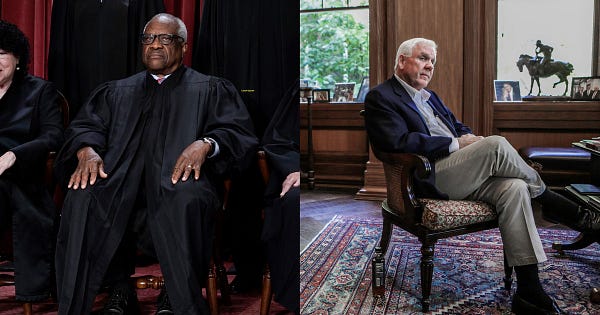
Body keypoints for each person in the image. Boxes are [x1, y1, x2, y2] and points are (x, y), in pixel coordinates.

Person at [364, 37, 600, 315]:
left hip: (460, 170)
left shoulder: (431, 97)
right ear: (402, 61)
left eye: (432, 62)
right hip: (427, 176)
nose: (430, 66)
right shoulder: (381, 97)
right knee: (497, 144)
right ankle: (558, 204)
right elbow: (397, 142)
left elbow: (456, 126)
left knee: (514, 188)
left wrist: (468, 137)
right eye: (423, 58)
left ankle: (529, 291)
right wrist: (456, 144)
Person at [53, 13, 258, 315]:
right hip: (121, 183)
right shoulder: (116, 91)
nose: (155, 45)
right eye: (148, 39)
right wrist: (86, 149)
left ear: (184, 46)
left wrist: (207, 144)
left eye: (165, 38)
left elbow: (237, 134)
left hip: (179, 184)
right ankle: (116, 290)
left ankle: (178, 297)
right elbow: (85, 126)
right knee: (84, 196)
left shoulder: (210, 89)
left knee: (187, 198)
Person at [0, 20, 64, 304]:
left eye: (1, 53)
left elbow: (53, 137)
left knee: (18, 198)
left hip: (24, 176)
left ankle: (32, 293)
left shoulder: (40, 91)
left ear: (17, 59)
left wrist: (15, 155)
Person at [260, 81, 300, 314]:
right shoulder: (296, 91)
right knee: (294, 201)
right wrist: (296, 169)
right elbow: (277, 141)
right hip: (294, 175)